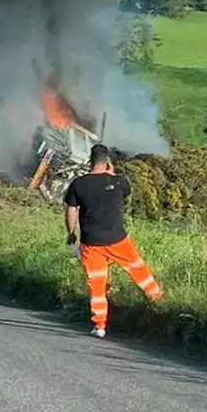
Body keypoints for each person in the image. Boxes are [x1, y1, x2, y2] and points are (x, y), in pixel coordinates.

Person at [63, 144, 163, 338]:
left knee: (96, 283)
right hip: (118, 239)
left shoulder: (78, 184)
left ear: (89, 161)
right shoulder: (119, 181)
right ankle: (157, 299)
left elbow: (71, 210)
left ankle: (99, 325)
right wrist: (112, 173)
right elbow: (125, 191)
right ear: (107, 161)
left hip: (91, 243)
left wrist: (71, 233)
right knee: (138, 269)